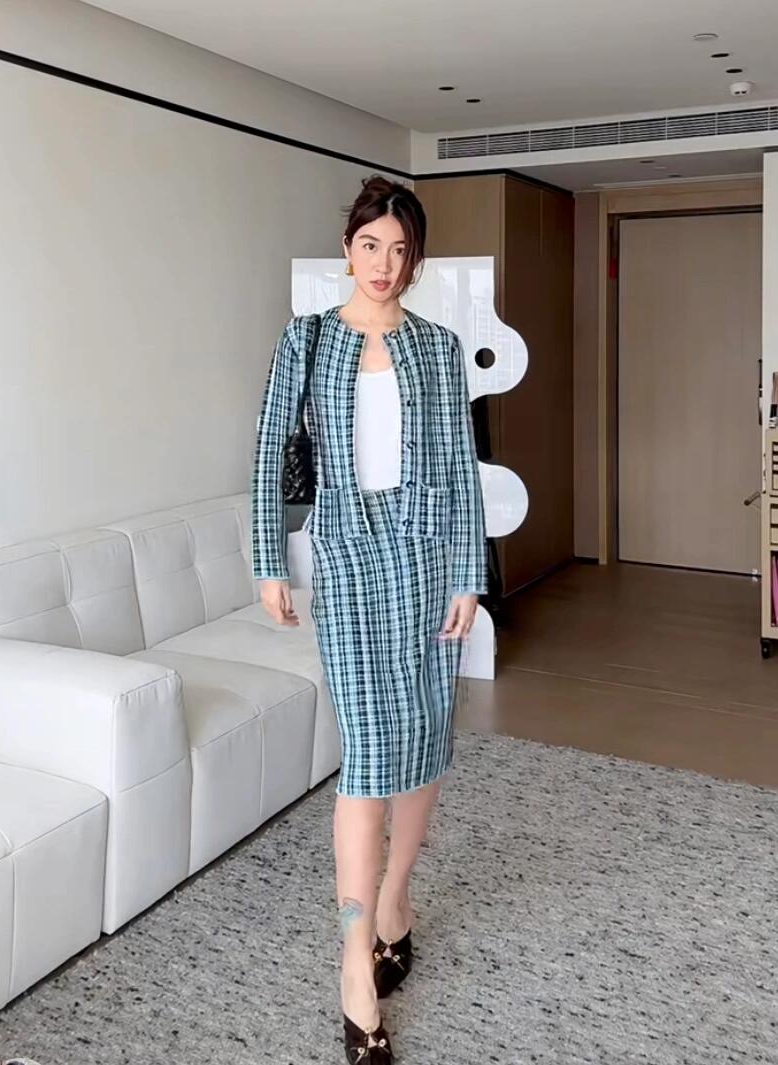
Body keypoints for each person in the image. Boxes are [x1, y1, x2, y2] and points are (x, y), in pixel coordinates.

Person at [250, 175, 487, 1064]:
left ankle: (394, 901)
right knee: (367, 750)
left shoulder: (436, 346)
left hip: (426, 558)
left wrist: (469, 572)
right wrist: (268, 558)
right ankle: (356, 960)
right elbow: (269, 447)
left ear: (414, 260)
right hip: (348, 557)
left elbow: (459, 465)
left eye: (398, 250)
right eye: (369, 246)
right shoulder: (307, 338)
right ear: (348, 249)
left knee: (423, 734)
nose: (383, 264)